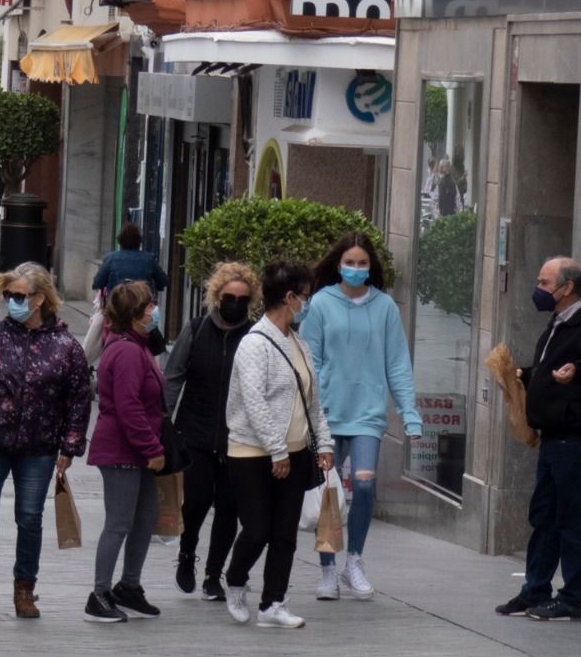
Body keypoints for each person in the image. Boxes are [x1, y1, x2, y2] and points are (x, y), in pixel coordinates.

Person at [0, 262, 92, 619]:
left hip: (39, 446)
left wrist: (69, 448)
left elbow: (78, 398)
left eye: (18, 296)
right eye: (7, 295)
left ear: (40, 299)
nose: (11, 302)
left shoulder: (65, 347)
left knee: (29, 517)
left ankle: (24, 590)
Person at [497, 257, 581, 623]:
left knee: (573, 518)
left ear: (567, 288)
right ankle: (535, 588)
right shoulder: (558, 323)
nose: (538, 287)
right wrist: (526, 373)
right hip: (554, 438)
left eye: (544, 281)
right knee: (545, 517)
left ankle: (571, 597)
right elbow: (554, 369)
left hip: (577, 439)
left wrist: (579, 371)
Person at [301, 232, 423, 601]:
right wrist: (312, 412)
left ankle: (354, 560)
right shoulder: (321, 304)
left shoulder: (385, 307)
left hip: (368, 414)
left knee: (365, 483)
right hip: (327, 416)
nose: (356, 269)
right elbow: (310, 360)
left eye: (362, 263)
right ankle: (327, 569)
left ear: (372, 267)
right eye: (350, 263)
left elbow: (397, 364)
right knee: (328, 493)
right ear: (337, 264)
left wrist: (410, 414)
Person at [223, 261, 334, 630]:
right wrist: (276, 449)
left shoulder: (298, 342)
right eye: (304, 295)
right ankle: (235, 579)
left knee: (285, 532)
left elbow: (311, 399)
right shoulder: (255, 344)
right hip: (252, 453)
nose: (308, 302)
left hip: (296, 452)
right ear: (288, 298)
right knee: (257, 529)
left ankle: (274, 602)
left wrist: (324, 442)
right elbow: (254, 400)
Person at [163, 261, 257, 601]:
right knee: (196, 502)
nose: (234, 303)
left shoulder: (256, 336)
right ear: (217, 297)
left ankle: (213, 574)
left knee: (229, 508)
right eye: (228, 296)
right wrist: (164, 423)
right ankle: (187, 554)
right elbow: (173, 377)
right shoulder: (197, 328)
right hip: (196, 432)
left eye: (241, 298)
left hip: (239, 438)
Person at [84, 281, 167, 623]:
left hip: (138, 449)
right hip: (123, 450)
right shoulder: (128, 351)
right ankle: (99, 593)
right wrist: (152, 447)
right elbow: (128, 406)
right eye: (148, 307)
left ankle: (129, 585)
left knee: (145, 517)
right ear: (134, 313)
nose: (153, 311)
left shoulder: (135, 344)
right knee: (119, 522)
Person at [91, 223, 170, 296]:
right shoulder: (149, 259)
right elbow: (163, 281)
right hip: (141, 304)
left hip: (116, 304)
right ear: (139, 241)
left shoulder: (110, 258)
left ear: (120, 240)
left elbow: (97, 283)